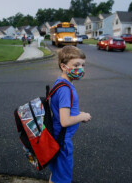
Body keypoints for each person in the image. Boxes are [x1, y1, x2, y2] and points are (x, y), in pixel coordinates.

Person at [49, 46, 92, 183]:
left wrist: (78, 113)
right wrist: (82, 116)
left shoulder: (60, 83)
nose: (80, 69)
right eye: (76, 65)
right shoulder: (65, 90)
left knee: (57, 174)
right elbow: (65, 121)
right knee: (62, 178)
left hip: (57, 136)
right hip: (62, 141)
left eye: (83, 65)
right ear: (64, 66)